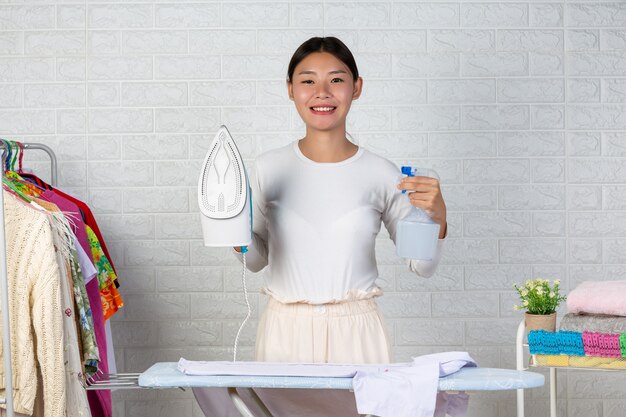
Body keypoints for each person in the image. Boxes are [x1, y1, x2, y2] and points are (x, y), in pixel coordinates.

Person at [194, 36, 448, 416]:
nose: (322, 92)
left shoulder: (381, 172)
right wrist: (233, 231)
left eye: (337, 79)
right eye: (308, 80)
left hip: (357, 333)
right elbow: (255, 260)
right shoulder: (267, 167)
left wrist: (437, 217)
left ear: (357, 88)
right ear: (291, 90)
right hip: (284, 331)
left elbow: (422, 265)